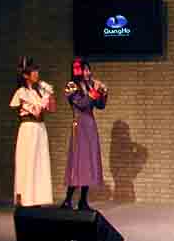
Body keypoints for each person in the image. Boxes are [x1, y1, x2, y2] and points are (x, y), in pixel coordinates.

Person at [61, 58, 108, 210]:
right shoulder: (71, 86)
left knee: (89, 161)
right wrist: (94, 92)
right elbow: (82, 104)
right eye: (86, 70)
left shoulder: (89, 86)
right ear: (79, 71)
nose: (89, 73)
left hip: (90, 125)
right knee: (78, 161)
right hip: (79, 125)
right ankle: (68, 199)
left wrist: (103, 92)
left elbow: (100, 106)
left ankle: (83, 200)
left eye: (89, 69)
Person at [9, 56, 55, 206]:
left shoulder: (37, 91)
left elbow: (52, 109)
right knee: (28, 163)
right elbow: (35, 111)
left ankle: (38, 198)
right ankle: (26, 199)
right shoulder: (21, 92)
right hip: (28, 129)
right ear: (25, 75)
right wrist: (45, 97)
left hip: (40, 129)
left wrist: (49, 94)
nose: (37, 73)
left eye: (37, 70)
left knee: (40, 162)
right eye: (33, 71)